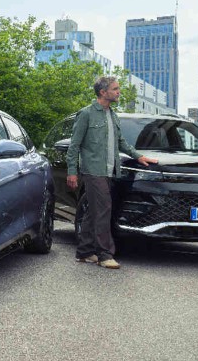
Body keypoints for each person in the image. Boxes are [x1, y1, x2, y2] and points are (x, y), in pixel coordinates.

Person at [66, 75, 158, 270]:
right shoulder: (86, 114)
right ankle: (104, 254)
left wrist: (139, 156)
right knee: (104, 210)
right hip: (93, 171)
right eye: (115, 89)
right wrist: (72, 172)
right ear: (103, 92)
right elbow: (74, 146)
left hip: (110, 170)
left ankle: (84, 251)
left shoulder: (113, 115)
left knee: (93, 211)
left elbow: (121, 142)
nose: (118, 92)